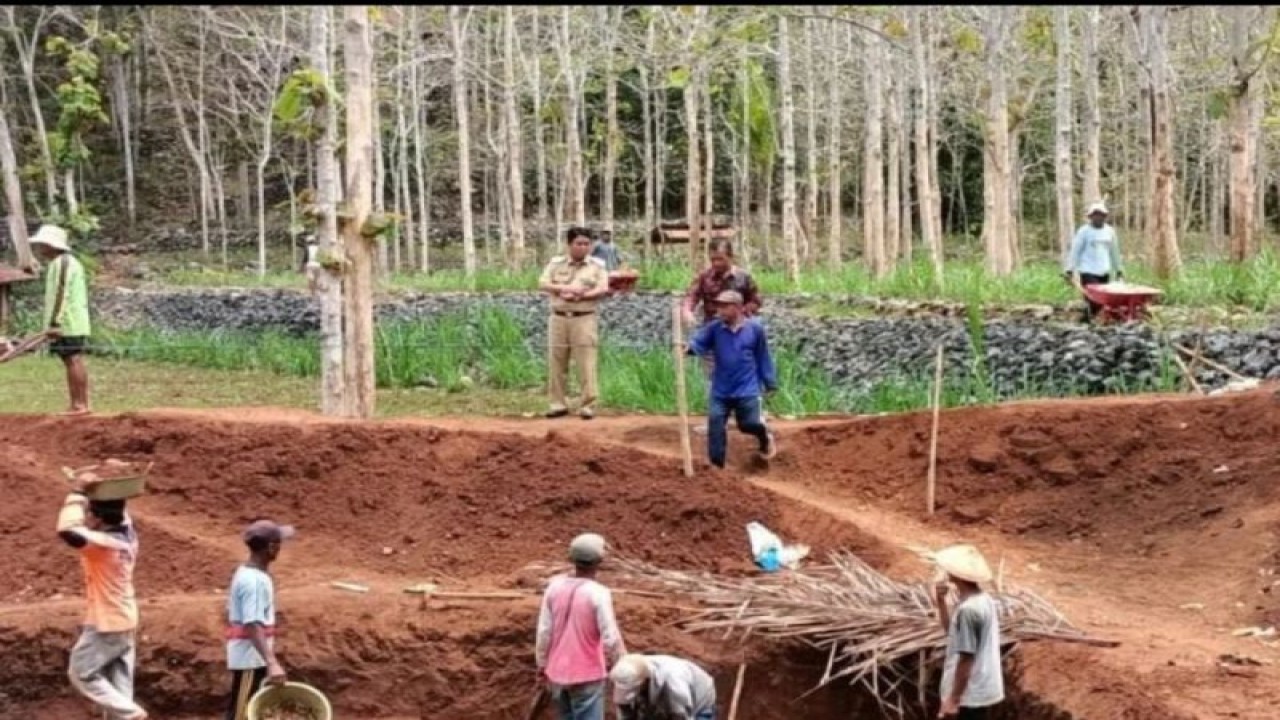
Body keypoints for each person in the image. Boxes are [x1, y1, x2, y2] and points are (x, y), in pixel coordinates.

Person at [56, 475, 148, 720]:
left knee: (81, 672)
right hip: (125, 618)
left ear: (97, 518)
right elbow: (120, 510)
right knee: (118, 688)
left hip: (106, 623)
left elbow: (67, 531)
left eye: (90, 515)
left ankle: (132, 714)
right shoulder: (128, 535)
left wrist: (78, 492)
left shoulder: (103, 546)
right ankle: (126, 714)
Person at [535, 533, 627, 720]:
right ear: (599, 561)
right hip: (587, 675)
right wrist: (624, 665)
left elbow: (544, 632)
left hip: (556, 674)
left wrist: (542, 664)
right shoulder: (598, 593)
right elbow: (611, 637)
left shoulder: (553, 588)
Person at [687, 290, 778, 469]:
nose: (719, 311)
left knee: (749, 424)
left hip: (747, 388)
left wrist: (769, 382)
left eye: (724, 307)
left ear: (737, 308)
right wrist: (688, 349)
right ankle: (716, 466)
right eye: (718, 306)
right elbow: (698, 343)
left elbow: (762, 356)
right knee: (715, 423)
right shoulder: (715, 328)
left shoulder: (755, 330)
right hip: (721, 389)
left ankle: (764, 437)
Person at [539, 227, 611, 420]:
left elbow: (603, 287)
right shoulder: (556, 264)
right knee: (557, 362)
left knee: (586, 362)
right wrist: (564, 288)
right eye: (578, 243)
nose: (583, 247)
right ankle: (557, 404)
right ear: (569, 244)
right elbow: (543, 283)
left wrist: (581, 295)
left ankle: (588, 405)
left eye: (586, 244)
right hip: (559, 317)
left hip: (584, 317)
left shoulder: (597, 265)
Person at [225, 519, 295, 720]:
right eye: (279, 543)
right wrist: (272, 662)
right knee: (241, 714)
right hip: (250, 659)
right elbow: (252, 623)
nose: (281, 548)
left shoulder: (250, 573)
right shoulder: (253, 581)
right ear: (271, 548)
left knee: (248, 711)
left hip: (253, 657)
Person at [932, 543, 1005, 719]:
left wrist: (953, 700)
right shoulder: (983, 600)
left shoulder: (969, 610)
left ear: (955, 575)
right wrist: (941, 603)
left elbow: (966, 658)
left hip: (970, 696)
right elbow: (953, 635)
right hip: (980, 690)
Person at [31, 224, 92, 415]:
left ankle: (80, 404)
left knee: (73, 359)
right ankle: (78, 403)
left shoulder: (63, 263)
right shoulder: (61, 263)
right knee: (71, 360)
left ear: (52, 245)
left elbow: (60, 293)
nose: (40, 248)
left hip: (68, 322)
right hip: (69, 321)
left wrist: (55, 323)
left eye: (42, 244)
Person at [610, 653, 717, 720]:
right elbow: (625, 712)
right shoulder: (628, 676)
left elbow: (681, 716)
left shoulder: (674, 683)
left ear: (644, 681)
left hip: (699, 697)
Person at [1065, 202, 1123, 323]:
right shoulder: (1084, 232)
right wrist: (1069, 269)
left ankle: (1090, 320)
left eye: (1101, 215)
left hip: (1104, 271)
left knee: (1103, 299)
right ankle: (1090, 319)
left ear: (1105, 216)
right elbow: (1075, 251)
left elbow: (1114, 252)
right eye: (1095, 215)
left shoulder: (1110, 231)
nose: (1098, 217)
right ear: (1090, 217)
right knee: (1093, 299)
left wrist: (1119, 269)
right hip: (1088, 270)